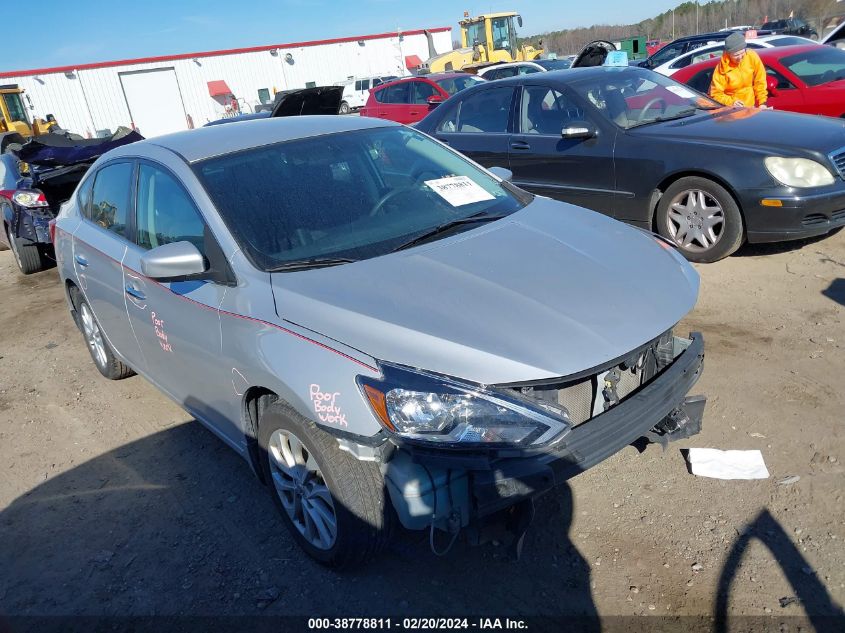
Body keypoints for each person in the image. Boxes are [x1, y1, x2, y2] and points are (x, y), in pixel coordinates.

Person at [708, 31, 768, 108]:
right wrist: (731, 102)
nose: (740, 57)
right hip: (732, 112)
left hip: (750, 108)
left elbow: (760, 81)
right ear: (729, 54)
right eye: (736, 55)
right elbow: (715, 94)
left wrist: (762, 102)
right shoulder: (722, 68)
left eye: (742, 53)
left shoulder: (751, 56)